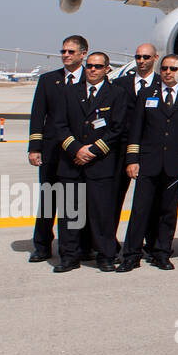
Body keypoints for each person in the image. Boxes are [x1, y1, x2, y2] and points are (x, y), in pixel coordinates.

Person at [118, 54, 178, 271]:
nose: (167, 72)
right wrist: (132, 159)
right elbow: (136, 130)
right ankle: (131, 254)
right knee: (139, 210)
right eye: (164, 68)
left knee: (168, 211)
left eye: (172, 69)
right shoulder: (146, 94)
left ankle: (162, 253)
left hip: (176, 164)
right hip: (148, 162)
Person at [50, 51, 127, 272]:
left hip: (100, 164)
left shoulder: (117, 94)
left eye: (98, 66)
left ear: (106, 69)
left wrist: (92, 150)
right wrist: (77, 149)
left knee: (101, 213)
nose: (92, 69)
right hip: (71, 162)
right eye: (90, 66)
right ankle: (69, 257)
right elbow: (59, 125)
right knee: (69, 214)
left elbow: (117, 128)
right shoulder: (68, 92)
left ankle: (105, 255)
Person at [27, 35, 87, 263]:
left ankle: (75, 246)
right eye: (63, 51)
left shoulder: (89, 79)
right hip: (52, 151)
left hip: (77, 152)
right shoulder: (47, 80)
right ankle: (42, 246)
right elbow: (37, 116)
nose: (65, 55)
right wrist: (34, 148)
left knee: (74, 201)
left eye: (71, 52)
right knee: (49, 199)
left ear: (83, 53)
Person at [112, 44, 160, 249]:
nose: (141, 61)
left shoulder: (162, 84)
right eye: (138, 57)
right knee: (113, 199)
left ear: (155, 58)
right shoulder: (119, 84)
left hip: (151, 152)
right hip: (121, 150)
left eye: (146, 57)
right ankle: (108, 243)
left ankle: (152, 243)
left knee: (151, 202)